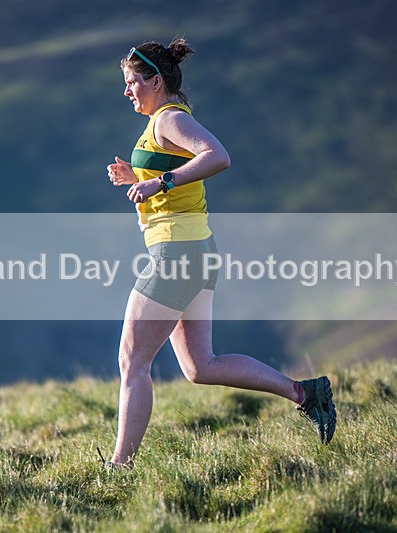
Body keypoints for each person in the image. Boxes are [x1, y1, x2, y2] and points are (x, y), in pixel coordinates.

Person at [104, 38, 336, 468]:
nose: (127, 91)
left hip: (177, 254)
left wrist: (161, 182)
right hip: (197, 251)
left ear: (156, 81)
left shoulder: (169, 119)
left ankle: (119, 468)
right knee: (199, 366)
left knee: (132, 362)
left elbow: (218, 156)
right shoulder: (165, 120)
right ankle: (306, 393)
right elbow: (177, 169)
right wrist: (136, 175)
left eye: (133, 82)